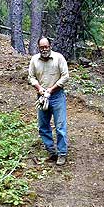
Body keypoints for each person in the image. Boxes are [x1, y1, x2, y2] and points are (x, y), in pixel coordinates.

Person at [28, 37, 69, 166]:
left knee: (60, 126)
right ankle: (51, 150)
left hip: (57, 96)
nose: (44, 49)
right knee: (43, 125)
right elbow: (31, 77)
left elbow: (65, 76)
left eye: (46, 46)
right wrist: (39, 89)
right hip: (41, 96)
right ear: (38, 47)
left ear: (50, 46)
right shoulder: (34, 60)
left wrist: (51, 89)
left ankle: (62, 153)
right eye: (41, 47)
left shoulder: (59, 58)